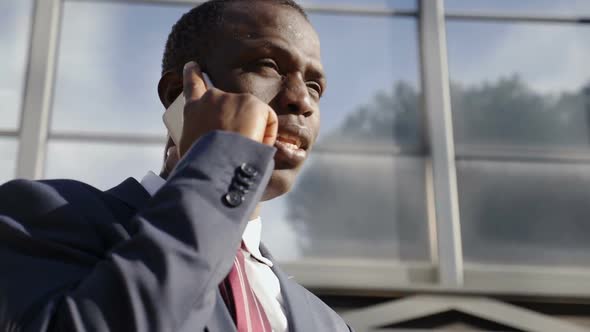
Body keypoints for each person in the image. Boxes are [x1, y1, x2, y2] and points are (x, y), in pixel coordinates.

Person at [0, 0, 354, 331]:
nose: (302, 100)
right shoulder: (37, 218)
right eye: (269, 65)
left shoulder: (329, 324)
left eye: (314, 86)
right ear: (178, 93)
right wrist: (221, 162)